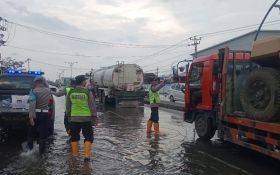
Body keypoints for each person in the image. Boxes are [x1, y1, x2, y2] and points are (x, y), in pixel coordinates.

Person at [66, 75, 97, 161]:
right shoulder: (87, 92)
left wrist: (69, 117)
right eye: (85, 81)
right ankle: (87, 157)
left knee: (74, 137)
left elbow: (68, 106)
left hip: (74, 118)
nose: (86, 82)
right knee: (88, 137)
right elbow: (92, 106)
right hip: (86, 119)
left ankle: (75, 156)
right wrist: (94, 117)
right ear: (83, 82)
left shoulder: (71, 92)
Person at [28, 76, 53, 155]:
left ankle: (30, 151)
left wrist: (31, 117)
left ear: (35, 82)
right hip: (45, 115)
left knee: (31, 133)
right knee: (43, 135)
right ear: (42, 82)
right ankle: (41, 154)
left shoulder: (33, 91)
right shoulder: (48, 90)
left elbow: (32, 104)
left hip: (36, 114)